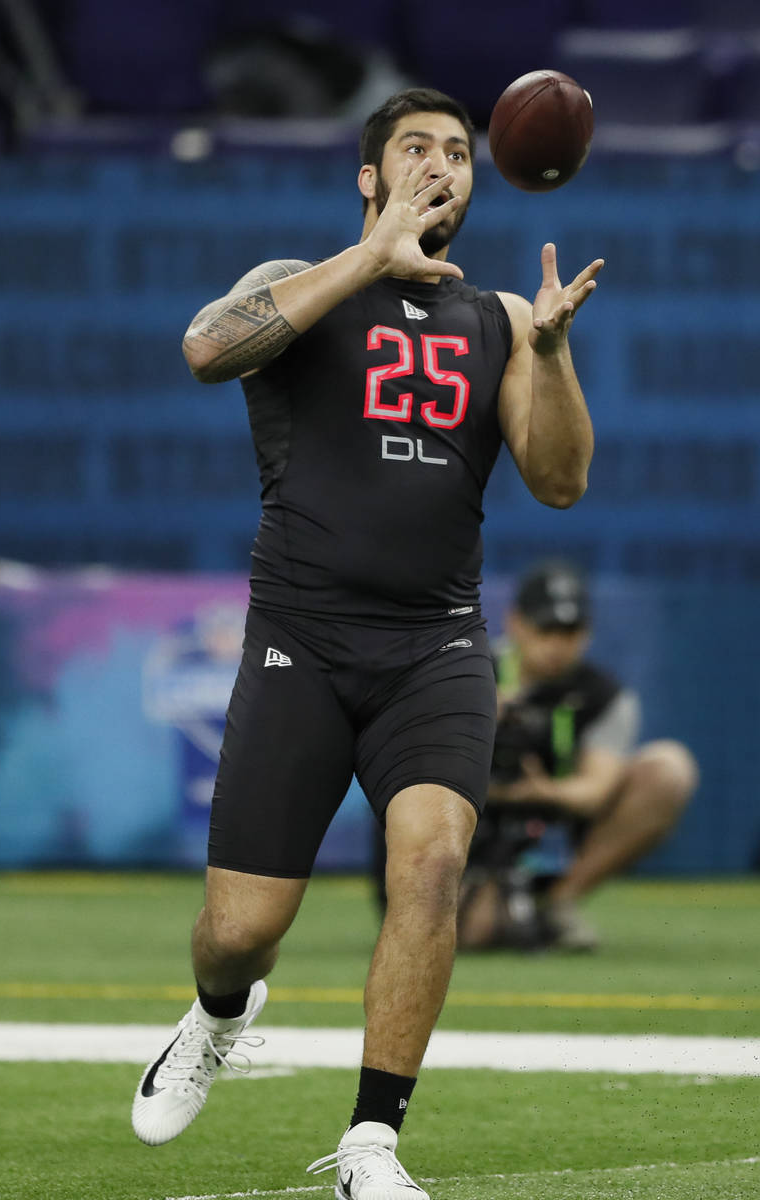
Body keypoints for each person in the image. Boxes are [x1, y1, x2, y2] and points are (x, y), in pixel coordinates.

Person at [130, 87, 603, 1199]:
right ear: (369, 176)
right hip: (300, 636)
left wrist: (553, 349)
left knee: (431, 861)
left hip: (434, 645)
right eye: (415, 150)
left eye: (456, 151)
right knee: (240, 930)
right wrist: (368, 259)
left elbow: (561, 480)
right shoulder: (296, 285)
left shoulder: (494, 319)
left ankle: (371, 1144)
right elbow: (205, 349)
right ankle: (218, 1011)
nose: (442, 164)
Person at [457, 560, 699, 952]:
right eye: (545, 629)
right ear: (516, 622)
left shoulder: (603, 695)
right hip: (471, 820)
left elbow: (596, 792)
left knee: (670, 768)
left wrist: (539, 790)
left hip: (556, 823)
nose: (557, 644)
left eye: (570, 632)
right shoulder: (469, 673)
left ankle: (557, 904)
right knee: (477, 933)